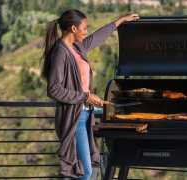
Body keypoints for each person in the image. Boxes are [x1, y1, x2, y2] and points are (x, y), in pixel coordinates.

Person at [41, 9, 139, 179]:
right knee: (85, 172)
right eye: (84, 28)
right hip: (74, 118)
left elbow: (96, 37)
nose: (86, 31)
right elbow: (53, 89)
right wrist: (85, 96)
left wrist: (119, 21)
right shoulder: (61, 52)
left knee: (82, 171)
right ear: (73, 29)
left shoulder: (77, 47)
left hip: (86, 115)